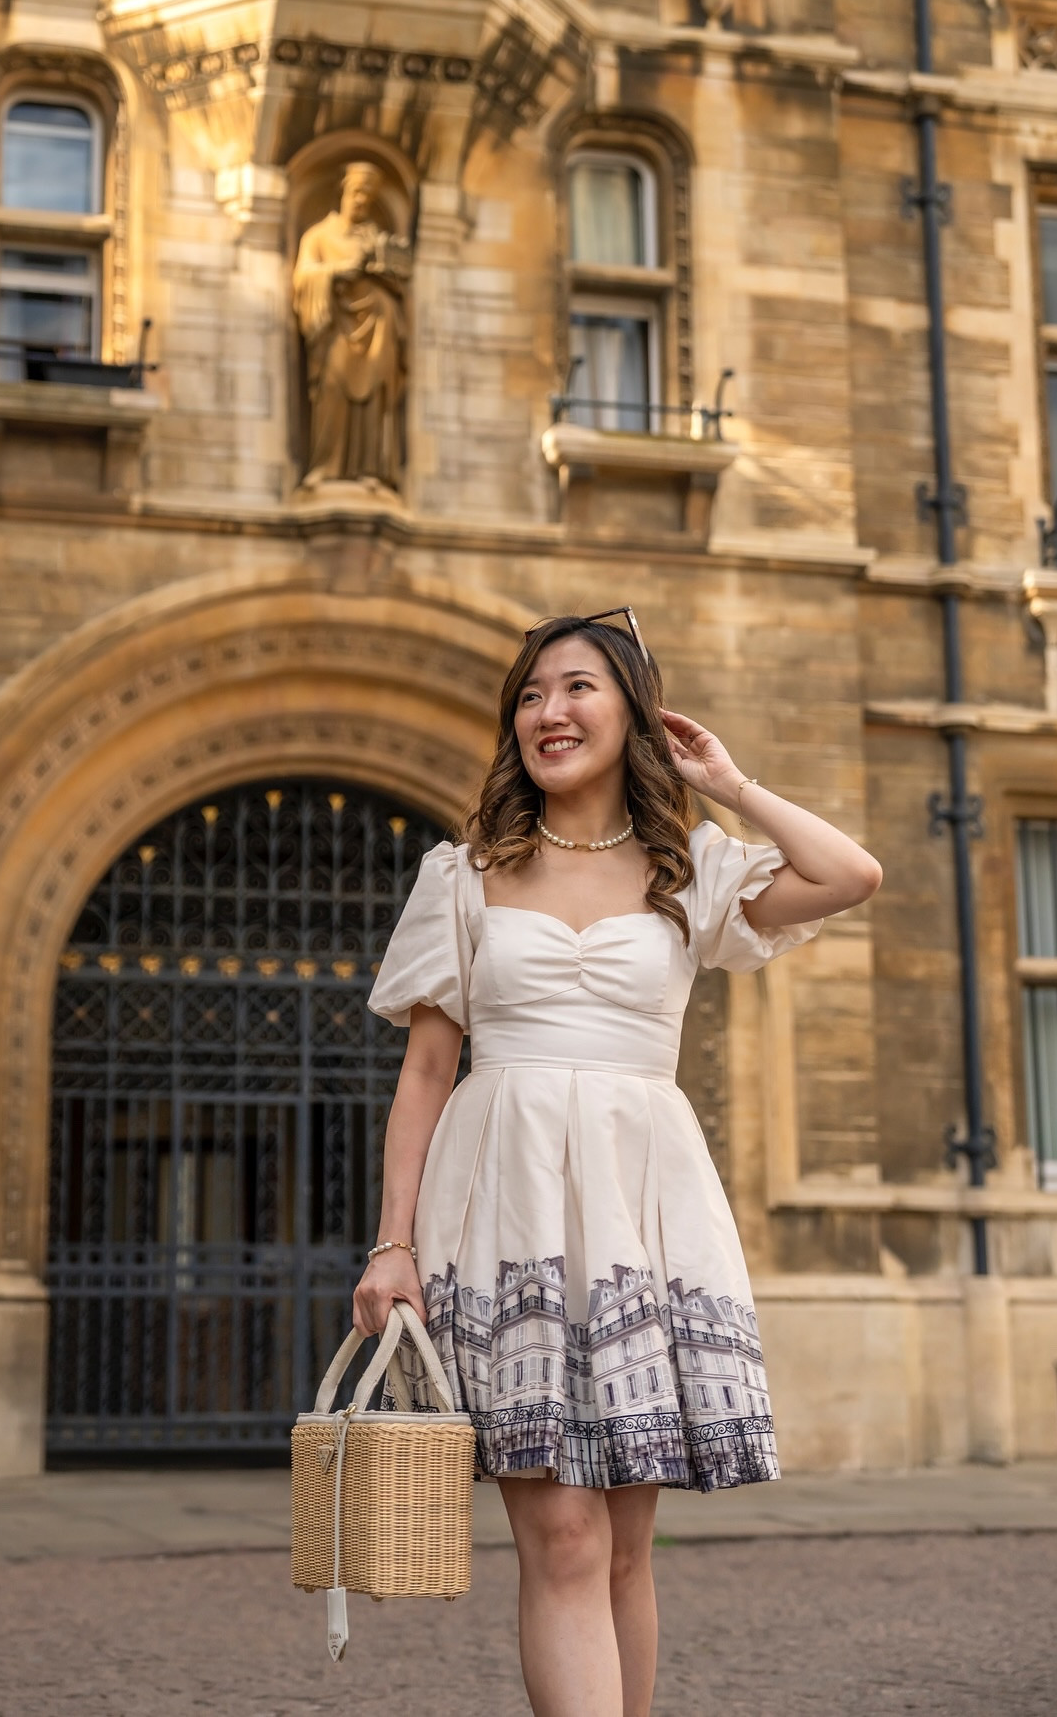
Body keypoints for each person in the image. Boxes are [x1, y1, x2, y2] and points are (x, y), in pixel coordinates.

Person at [354, 608, 881, 1717]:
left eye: (577, 687)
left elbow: (850, 873)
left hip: (642, 1218)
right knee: (563, 1535)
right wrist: (391, 1244)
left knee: (628, 1551)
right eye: (530, 694)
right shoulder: (463, 874)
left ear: (635, 711)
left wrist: (729, 784)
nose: (548, 711)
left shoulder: (691, 871)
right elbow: (427, 1071)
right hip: (504, 1213)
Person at [291, 161, 409, 492]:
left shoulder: (375, 238)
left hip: (379, 323)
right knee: (332, 388)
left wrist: (383, 270)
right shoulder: (319, 235)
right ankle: (325, 465)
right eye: (357, 192)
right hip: (337, 325)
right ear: (343, 192)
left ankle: (371, 468)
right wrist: (339, 271)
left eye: (368, 197)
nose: (361, 201)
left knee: (375, 395)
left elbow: (401, 284)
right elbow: (303, 276)